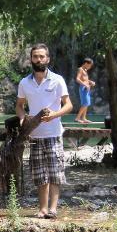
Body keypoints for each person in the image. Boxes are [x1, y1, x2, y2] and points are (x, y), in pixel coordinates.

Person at [16, 43, 72, 219]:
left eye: (42, 56)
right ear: (31, 59)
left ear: (47, 59)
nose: (38, 59)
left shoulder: (57, 80)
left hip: (54, 134)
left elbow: (69, 105)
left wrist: (55, 114)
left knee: (55, 172)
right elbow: (19, 106)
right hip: (34, 135)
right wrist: (22, 119)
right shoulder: (25, 82)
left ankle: (53, 209)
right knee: (39, 174)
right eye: (35, 56)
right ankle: (42, 209)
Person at [75, 58, 95, 124]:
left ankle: (83, 118)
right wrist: (85, 85)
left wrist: (90, 82)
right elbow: (77, 79)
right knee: (85, 103)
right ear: (86, 63)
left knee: (87, 103)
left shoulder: (85, 70)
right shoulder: (80, 69)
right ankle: (77, 118)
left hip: (87, 88)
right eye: (90, 65)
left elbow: (85, 79)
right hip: (83, 88)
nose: (90, 67)